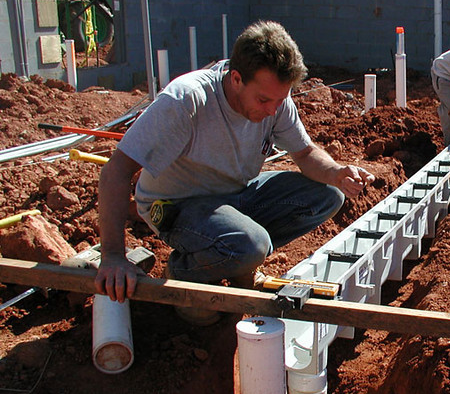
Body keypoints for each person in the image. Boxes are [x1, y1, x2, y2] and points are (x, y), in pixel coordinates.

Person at [94, 20, 374, 323]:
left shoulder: (275, 99)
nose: (272, 110)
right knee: (247, 251)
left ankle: (235, 258)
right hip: (178, 205)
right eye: (264, 100)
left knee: (327, 195)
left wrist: (336, 172)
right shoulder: (186, 101)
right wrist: (112, 256)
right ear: (236, 78)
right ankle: (184, 269)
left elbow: (305, 154)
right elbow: (115, 172)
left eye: (279, 100)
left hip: (234, 194)